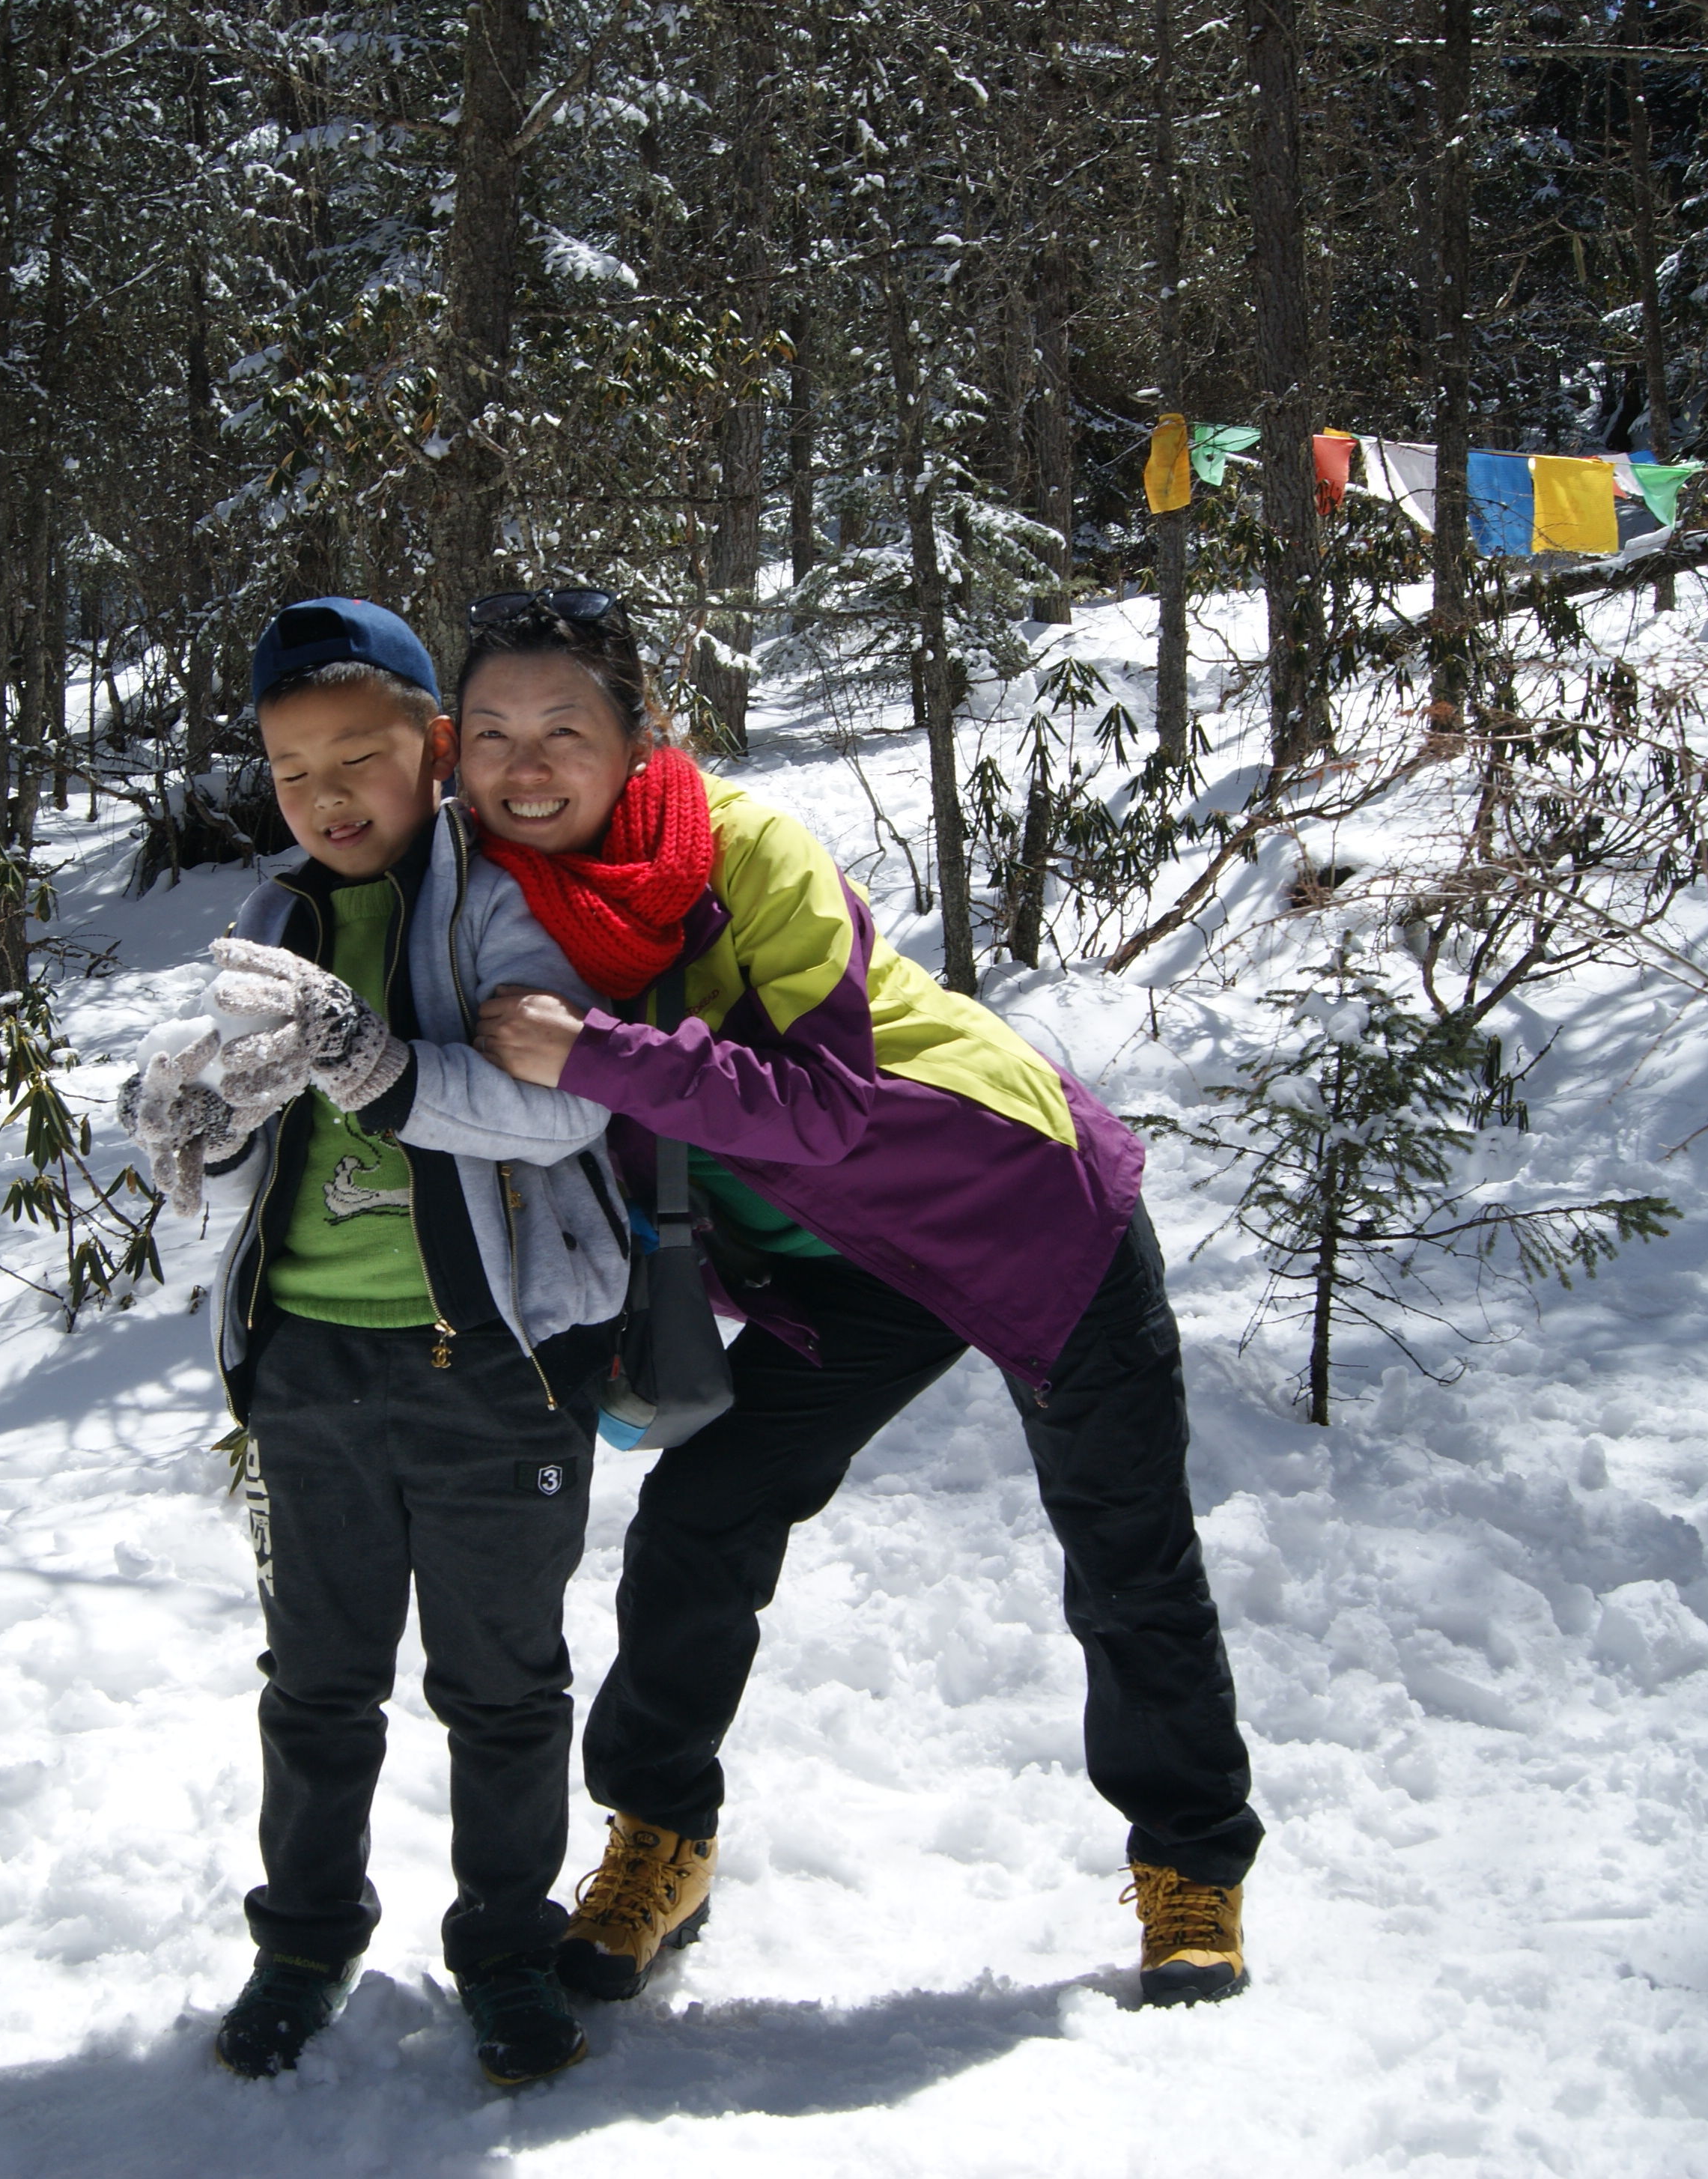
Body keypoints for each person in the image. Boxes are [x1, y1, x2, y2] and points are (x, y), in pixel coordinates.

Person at [453, 589, 1264, 2009]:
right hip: (839, 1279)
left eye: (565, 729)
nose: (529, 766)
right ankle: (660, 1837)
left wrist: (594, 1058)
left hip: (1021, 1213)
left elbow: (828, 1109)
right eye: (494, 733)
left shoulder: (748, 849)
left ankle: (1191, 1863)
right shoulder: (491, 902)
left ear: (642, 740)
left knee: (1123, 1546)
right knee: (702, 1517)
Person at [115, 597, 630, 2085]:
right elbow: (246, 1089)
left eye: (359, 753)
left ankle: (509, 1950)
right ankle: (304, 1938)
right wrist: (194, 1111)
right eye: (291, 767)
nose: (328, 793)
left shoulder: (510, 903)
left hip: (497, 1361)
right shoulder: (274, 911)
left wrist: (384, 1066)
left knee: (503, 1685)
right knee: (317, 1680)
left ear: (438, 747)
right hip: (308, 1367)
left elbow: (567, 1102)